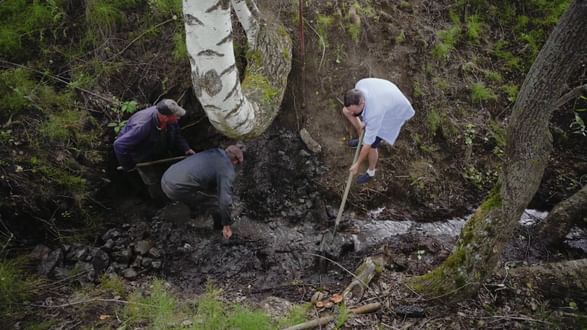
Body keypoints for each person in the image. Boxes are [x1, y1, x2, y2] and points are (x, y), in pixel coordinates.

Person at [160, 145, 244, 240]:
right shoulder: (227, 170)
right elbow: (225, 201)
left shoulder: (215, 151)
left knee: (201, 194)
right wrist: (227, 224)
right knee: (215, 204)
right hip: (175, 190)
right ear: (235, 161)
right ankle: (219, 229)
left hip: (166, 177)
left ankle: (195, 212)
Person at [342, 78, 415, 184]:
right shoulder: (359, 86)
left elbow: (369, 143)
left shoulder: (374, 113)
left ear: (361, 104)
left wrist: (357, 164)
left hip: (394, 112)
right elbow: (350, 110)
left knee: (372, 145)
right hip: (385, 97)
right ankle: (361, 138)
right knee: (345, 111)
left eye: (354, 110)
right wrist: (357, 118)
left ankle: (371, 171)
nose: (352, 113)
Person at [113, 99, 195, 171]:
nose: (179, 118)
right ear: (165, 118)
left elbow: (176, 134)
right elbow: (119, 145)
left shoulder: (169, 119)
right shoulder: (142, 126)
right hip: (142, 155)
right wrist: (129, 166)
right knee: (152, 179)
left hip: (158, 147)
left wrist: (186, 148)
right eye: (177, 116)